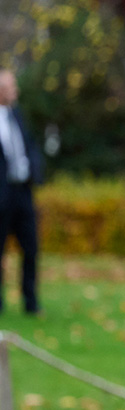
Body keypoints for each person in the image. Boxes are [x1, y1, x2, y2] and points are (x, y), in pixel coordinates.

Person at [0, 68, 45, 315]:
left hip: (22, 192)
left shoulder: (17, 114)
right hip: (1, 194)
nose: (15, 90)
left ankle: (31, 302)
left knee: (31, 248)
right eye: (10, 86)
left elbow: (30, 144)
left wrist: (35, 172)